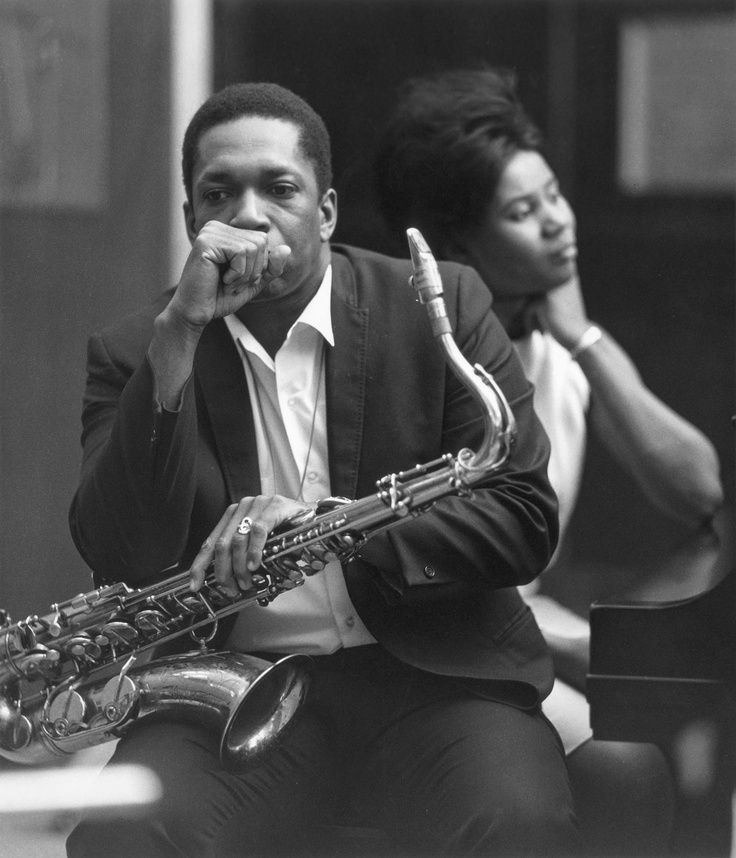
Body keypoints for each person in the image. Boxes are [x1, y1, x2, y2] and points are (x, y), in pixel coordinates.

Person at [66, 82, 581, 858]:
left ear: (327, 211)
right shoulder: (138, 347)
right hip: (232, 692)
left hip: (436, 679)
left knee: (517, 823)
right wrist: (178, 336)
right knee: (127, 837)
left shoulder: (439, 303)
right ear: (190, 222)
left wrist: (334, 529)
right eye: (219, 193)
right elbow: (119, 547)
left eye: (279, 188)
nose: (248, 214)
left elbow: (523, 520)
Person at [372, 66, 724, 856]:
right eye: (524, 214)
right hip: (433, 658)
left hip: (515, 634)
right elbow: (433, 579)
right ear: (459, 245)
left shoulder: (555, 343)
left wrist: (586, 338)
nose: (560, 224)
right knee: (626, 770)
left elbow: (699, 490)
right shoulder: (426, 367)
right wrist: (578, 647)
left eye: (555, 196)